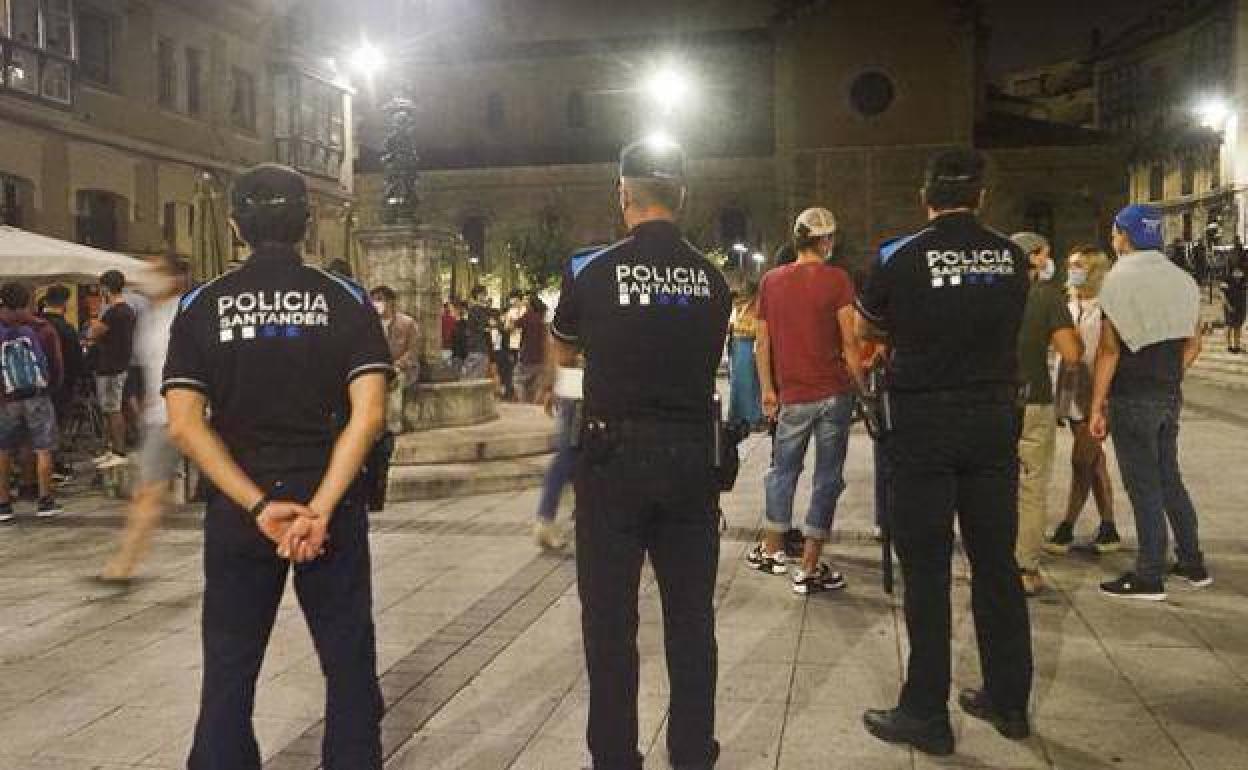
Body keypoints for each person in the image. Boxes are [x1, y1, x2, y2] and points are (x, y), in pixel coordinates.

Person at [162, 164, 391, 769]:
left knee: (230, 666)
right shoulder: (346, 299)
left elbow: (185, 424)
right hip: (328, 498)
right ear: (307, 224)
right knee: (347, 662)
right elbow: (367, 415)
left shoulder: (201, 305)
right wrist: (320, 507)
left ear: (235, 224)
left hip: (241, 505)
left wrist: (260, 506)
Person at [551, 137, 730, 770]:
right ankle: (690, 750)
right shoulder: (713, 279)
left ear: (624, 194)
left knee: (609, 623)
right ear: (681, 197)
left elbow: (564, 351)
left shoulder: (590, 269)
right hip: (689, 458)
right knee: (690, 619)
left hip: (611, 458)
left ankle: (615, 757)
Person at [857, 149, 1033, 756]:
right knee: (997, 564)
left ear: (925, 197)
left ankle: (925, 710)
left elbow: (869, 331)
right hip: (992, 419)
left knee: (927, 569)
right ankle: (1010, 701)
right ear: (982, 197)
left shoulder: (896, 255)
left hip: (925, 421)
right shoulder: (1012, 256)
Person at [1090, 205, 1210, 600]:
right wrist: (1170, 376)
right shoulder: (1184, 280)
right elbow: (1194, 344)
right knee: (1168, 477)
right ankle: (1192, 563)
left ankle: (1149, 574)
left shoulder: (1117, 280)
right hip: (1167, 393)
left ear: (1124, 235)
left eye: (1115, 233)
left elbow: (1109, 351)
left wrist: (1096, 404)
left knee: (1143, 485)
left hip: (1132, 394)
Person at [748, 207, 863, 594]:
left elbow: (761, 343)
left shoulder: (771, 281)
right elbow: (850, 341)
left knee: (783, 471)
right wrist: (860, 382)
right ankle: (810, 566)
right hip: (833, 393)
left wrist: (768, 389)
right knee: (827, 477)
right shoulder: (838, 280)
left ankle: (773, 550)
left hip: (792, 395)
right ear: (827, 240)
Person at [100, 255, 190, 580]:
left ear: (175, 278)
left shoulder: (186, 314)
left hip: (182, 414)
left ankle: (123, 566)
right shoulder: (152, 316)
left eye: (155, 272)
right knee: (147, 491)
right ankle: (123, 564)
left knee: (149, 491)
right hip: (160, 415)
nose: (147, 278)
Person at [1009, 232, 1083, 597]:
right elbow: (1071, 353)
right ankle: (1024, 567)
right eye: (1045, 255)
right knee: (1031, 486)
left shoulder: (990, 293)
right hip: (1033, 399)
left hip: (991, 402)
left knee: (992, 485)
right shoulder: (1045, 295)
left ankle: (990, 562)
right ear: (1033, 258)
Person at [1046, 247, 1121, 555]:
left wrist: (1101, 401)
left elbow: (1106, 352)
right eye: (1070, 263)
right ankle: (1108, 527)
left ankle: (1067, 526)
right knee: (1095, 460)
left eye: (1078, 265)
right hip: (1072, 392)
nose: (1071, 269)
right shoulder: (1069, 304)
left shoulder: (1105, 307)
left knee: (1082, 460)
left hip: (1096, 394)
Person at [0, 282, 65, 520]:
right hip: (38, 396)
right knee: (43, 448)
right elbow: (56, 364)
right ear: (27, 301)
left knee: (3, 449)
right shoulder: (41, 328)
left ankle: (3, 505)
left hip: (6, 398)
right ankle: (45, 501)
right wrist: (51, 387)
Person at [87, 270, 137, 469]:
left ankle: (118, 450)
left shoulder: (113, 312)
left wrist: (94, 316)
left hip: (110, 367)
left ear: (106, 288)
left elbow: (93, 333)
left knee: (112, 410)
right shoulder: (128, 311)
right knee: (110, 409)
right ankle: (112, 450)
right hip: (120, 365)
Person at [40, 285, 84, 479]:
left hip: (36, 385)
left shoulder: (35, 323)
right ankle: (54, 466)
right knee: (57, 426)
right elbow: (76, 362)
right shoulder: (66, 329)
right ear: (64, 304)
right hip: (62, 385)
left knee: (38, 429)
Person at [370, 285, 418, 434]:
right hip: (379, 367)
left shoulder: (407, 323)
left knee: (395, 379)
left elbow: (412, 351)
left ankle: (393, 425)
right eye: (373, 300)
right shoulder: (371, 323)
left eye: (379, 299)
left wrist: (397, 365)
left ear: (390, 302)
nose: (376, 303)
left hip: (403, 369)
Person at [726, 283, 763, 429]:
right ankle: (744, 416)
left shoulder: (752, 306)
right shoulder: (743, 306)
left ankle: (748, 416)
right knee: (744, 382)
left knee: (747, 382)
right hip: (742, 345)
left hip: (746, 345)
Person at [513, 293, 548, 403]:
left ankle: (524, 404)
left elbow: (513, 324)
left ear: (530, 305)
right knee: (535, 385)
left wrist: (518, 309)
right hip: (541, 357)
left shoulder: (528, 315)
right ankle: (533, 406)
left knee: (518, 380)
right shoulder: (541, 318)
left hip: (527, 356)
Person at [1219, 244, 1246, 353]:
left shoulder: (1243, 278)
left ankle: (1237, 345)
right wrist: (1228, 305)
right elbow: (1222, 294)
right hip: (1230, 305)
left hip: (1241, 305)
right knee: (1229, 325)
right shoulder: (1227, 277)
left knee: (1238, 326)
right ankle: (1229, 345)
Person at [462, 286, 493, 379]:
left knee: (471, 378)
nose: (485, 296)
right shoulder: (477, 310)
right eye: (484, 294)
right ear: (478, 296)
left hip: (475, 348)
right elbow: (482, 327)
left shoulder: (475, 310)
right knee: (477, 380)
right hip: (479, 349)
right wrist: (489, 326)